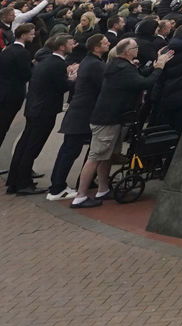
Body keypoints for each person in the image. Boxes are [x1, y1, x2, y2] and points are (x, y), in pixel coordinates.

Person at [74, 38, 171, 208]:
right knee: (96, 156)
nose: (137, 49)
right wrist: (159, 68)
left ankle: (103, 189)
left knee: (106, 156)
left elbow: (137, 76)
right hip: (107, 119)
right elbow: (144, 83)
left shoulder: (119, 65)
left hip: (110, 117)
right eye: (135, 47)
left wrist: (151, 66)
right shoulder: (123, 68)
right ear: (127, 52)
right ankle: (80, 196)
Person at [6, 34, 76, 195]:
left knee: (24, 144)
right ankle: (24, 183)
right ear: (61, 47)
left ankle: (15, 180)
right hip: (45, 110)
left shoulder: (46, 61)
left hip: (34, 107)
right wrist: (73, 79)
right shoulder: (57, 64)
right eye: (70, 43)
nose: (73, 45)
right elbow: (61, 86)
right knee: (32, 146)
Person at [47, 33, 108, 200]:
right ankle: (57, 188)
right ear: (96, 47)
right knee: (70, 151)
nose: (108, 43)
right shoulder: (95, 64)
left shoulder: (89, 62)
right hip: (82, 115)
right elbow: (104, 87)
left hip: (79, 113)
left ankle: (77, 182)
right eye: (104, 42)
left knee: (74, 151)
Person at [0, 23, 36, 152]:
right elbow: (26, 75)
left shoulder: (7, 50)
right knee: (3, 127)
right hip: (13, 95)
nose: (34, 36)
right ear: (23, 35)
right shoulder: (23, 53)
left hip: (3, 91)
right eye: (31, 33)